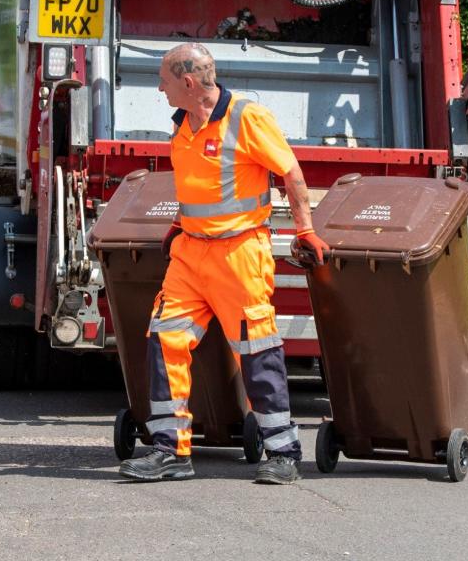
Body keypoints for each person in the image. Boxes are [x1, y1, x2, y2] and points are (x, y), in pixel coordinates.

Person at [119, 42, 330, 485]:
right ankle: (169, 451)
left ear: (189, 83)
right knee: (165, 339)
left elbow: (291, 173)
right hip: (190, 254)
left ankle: (283, 452)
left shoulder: (247, 118)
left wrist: (305, 230)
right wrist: (181, 222)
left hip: (239, 253)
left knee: (257, 349)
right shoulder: (183, 123)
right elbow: (203, 183)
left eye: (165, 80)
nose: (159, 88)